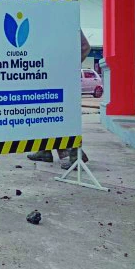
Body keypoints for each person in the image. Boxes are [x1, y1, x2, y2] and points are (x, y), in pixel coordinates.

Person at [28, 30, 90, 168]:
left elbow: (85, 47)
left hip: (60, 78)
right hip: (44, 75)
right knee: (43, 113)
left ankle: (76, 155)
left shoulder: (65, 18)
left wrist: (66, 67)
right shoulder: (44, 21)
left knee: (62, 116)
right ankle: (45, 150)